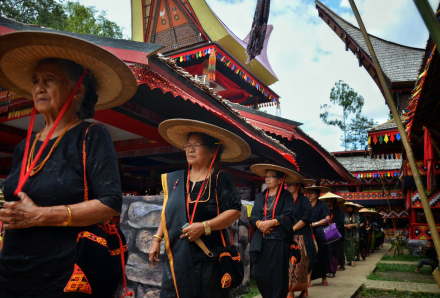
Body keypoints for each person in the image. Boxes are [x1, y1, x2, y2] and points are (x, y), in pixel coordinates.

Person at [0, 31, 137, 296]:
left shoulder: (91, 136)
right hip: (12, 271)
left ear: (77, 90)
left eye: (49, 80)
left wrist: (40, 215)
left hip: (65, 274)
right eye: (36, 81)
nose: (39, 87)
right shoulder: (22, 148)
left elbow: (110, 203)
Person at [149, 119, 250, 298]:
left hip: (208, 260)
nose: (190, 149)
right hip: (178, 256)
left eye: (196, 145)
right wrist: (157, 239)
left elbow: (234, 211)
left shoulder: (219, 178)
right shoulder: (177, 180)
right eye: (187, 145)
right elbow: (168, 212)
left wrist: (204, 226)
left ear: (212, 151)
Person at [250, 164, 298, 298]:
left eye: (271, 176)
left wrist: (272, 222)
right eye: (266, 176)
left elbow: (289, 215)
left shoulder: (286, 196)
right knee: (258, 274)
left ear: (279, 180)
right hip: (261, 241)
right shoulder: (260, 197)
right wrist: (260, 224)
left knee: (277, 275)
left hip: (278, 241)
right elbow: (254, 216)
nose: (267, 179)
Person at [286, 181, 317, 298]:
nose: (288, 186)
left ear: (298, 186)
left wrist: (292, 229)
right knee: (289, 265)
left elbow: (306, 218)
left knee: (300, 265)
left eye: (290, 184)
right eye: (287, 185)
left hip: (302, 237)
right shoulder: (285, 200)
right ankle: (291, 291)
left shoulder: (304, 200)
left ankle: (302, 289)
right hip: (287, 237)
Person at [305, 185, 331, 286]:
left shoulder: (322, 204)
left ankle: (324, 276)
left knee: (322, 255)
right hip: (308, 232)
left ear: (317, 194)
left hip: (320, 233)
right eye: (309, 192)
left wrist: (315, 224)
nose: (309, 194)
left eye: (312, 192)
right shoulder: (306, 204)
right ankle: (308, 279)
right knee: (310, 255)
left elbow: (327, 218)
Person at [320, 193, 344, 278]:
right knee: (324, 252)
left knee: (333, 252)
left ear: (333, 200)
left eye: (328, 200)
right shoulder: (323, 210)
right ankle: (324, 269)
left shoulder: (338, 210)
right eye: (325, 200)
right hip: (324, 233)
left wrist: (333, 228)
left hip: (334, 235)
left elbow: (341, 222)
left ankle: (332, 270)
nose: (326, 202)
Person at [343, 202, 360, 267]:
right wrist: (346, 226)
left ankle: (352, 260)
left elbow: (358, 223)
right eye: (348, 207)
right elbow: (341, 222)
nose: (349, 208)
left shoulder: (356, 215)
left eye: (351, 207)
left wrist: (352, 225)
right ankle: (349, 260)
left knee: (353, 246)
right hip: (346, 233)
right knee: (347, 247)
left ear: (353, 208)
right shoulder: (344, 215)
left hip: (354, 233)